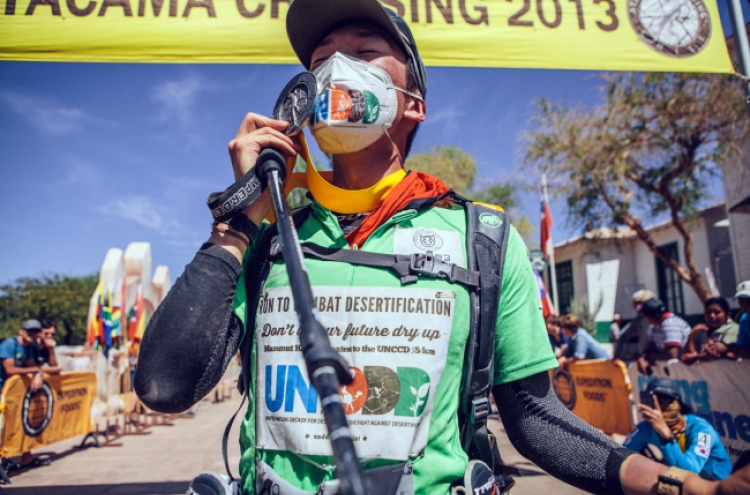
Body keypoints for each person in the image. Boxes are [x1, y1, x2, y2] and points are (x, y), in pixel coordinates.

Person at [134, 2, 750, 494]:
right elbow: (164, 386)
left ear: (413, 105)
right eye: (319, 63)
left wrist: (681, 485)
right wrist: (236, 224)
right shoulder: (266, 240)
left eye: (364, 55)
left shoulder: (481, 239)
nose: (334, 73)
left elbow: (536, 422)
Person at [624, 378, 732, 481]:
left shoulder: (702, 429)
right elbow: (621, 455)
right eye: (654, 401)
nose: (660, 407)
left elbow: (688, 474)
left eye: (665, 400)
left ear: (678, 403)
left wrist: (667, 436)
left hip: (715, 486)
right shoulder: (646, 427)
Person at [0, 319, 53, 469]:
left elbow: (33, 367)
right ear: (21, 331)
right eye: (30, 331)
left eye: (36, 331)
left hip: (11, 392)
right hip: (2, 389)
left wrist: (38, 374)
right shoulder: (9, 345)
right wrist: (34, 371)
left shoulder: (28, 347)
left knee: (19, 422)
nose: (33, 334)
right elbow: (9, 370)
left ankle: (25, 457)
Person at [637, 298, 691, 375]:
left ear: (651, 316)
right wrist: (642, 358)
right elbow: (649, 348)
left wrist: (650, 357)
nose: (644, 318)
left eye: (644, 315)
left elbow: (672, 354)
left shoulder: (670, 324)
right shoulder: (656, 326)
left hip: (684, 371)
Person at [682, 298, 739, 364]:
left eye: (717, 312)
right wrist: (692, 334)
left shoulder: (733, 328)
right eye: (708, 312)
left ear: (728, 315)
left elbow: (720, 351)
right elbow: (686, 355)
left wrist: (695, 358)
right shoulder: (701, 331)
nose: (712, 316)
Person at [705, 281, 750, 360]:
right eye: (741, 300)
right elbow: (742, 347)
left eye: (748, 300)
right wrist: (725, 348)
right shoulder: (744, 319)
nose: (744, 304)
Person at [614, 289, 656, 361]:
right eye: (635, 304)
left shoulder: (659, 319)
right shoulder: (639, 319)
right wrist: (617, 355)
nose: (636, 307)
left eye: (639, 303)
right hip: (645, 359)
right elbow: (623, 336)